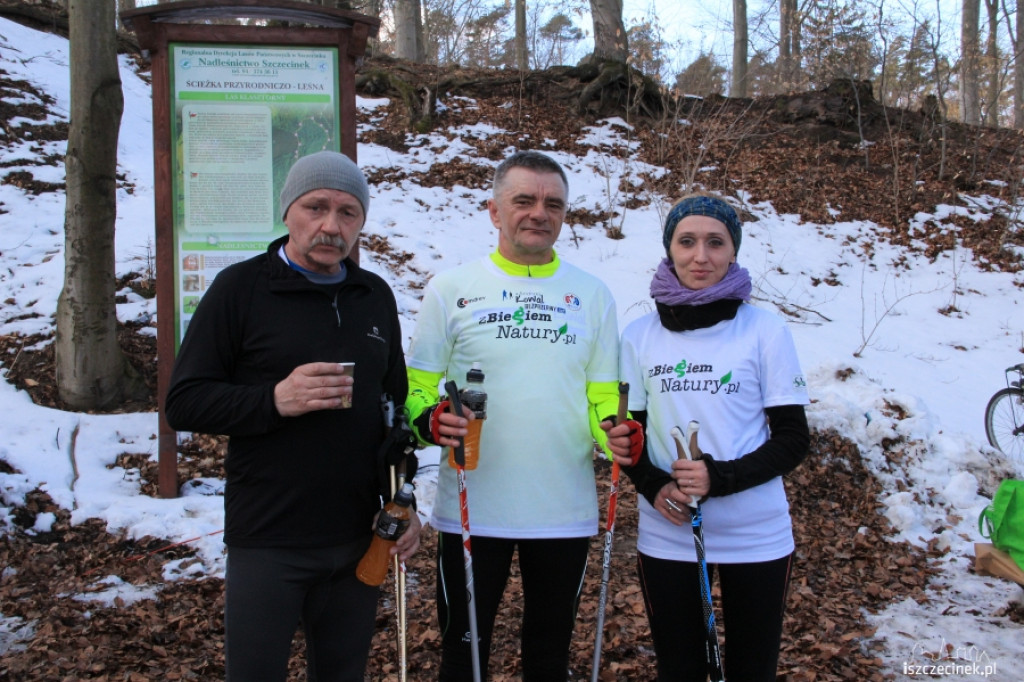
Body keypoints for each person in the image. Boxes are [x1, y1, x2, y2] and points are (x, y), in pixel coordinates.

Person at [165, 151, 421, 682]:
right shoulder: (241, 289)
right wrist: (273, 399)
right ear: (288, 212)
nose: (331, 226)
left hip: (356, 539)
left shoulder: (373, 296)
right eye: (316, 207)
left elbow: (393, 415)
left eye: (348, 212)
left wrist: (403, 503)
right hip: (269, 540)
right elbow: (184, 402)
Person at [405, 150, 622, 681]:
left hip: (561, 508)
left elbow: (603, 396)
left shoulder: (592, 295)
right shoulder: (451, 288)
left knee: (549, 655)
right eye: (523, 200)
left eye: (553, 204)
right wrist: (430, 420)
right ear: (494, 211)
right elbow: (414, 388)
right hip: (473, 505)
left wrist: (616, 431)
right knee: (464, 653)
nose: (539, 213)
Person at [603, 193, 810, 681]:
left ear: (733, 251)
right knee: (681, 670)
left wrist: (721, 477)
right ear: (668, 249)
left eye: (716, 243)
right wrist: (655, 486)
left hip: (756, 535)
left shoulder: (764, 330)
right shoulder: (638, 336)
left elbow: (793, 437)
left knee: (750, 670)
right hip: (669, 533)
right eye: (687, 241)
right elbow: (627, 438)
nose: (701, 256)